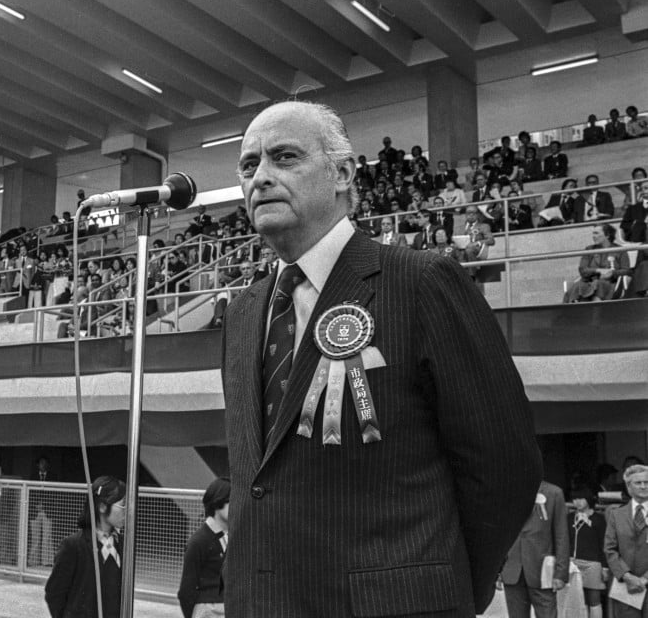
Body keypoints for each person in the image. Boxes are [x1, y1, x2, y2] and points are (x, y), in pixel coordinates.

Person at [223, 101, 541, 617]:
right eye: (248, 164)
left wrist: (447, 582)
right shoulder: (242, 313)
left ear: (343, 174)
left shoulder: (422, 282)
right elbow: (257, 480)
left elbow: (504, 465)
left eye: (284, 157)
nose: (260, 177)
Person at [45, 475, 126, 618]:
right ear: (102, 507)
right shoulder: (73, 546)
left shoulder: (123, 544)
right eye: (122, 505)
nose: (127, 511)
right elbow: (54, 593)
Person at [500, 480, 570, 618]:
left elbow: (561, 535)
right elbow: (499, 533)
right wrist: (497, 570)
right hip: (512, 568)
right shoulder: (506, 491)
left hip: (542, 569)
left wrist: (561, 573)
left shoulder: (554, 493)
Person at [178, 478, 229, 618]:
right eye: (230, 501)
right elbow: (186, 590)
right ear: (218, 501)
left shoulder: (232, 536)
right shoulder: (199, 541)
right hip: (208, 610)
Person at [604, 464, 648, 617]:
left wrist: (644, 579)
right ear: (629, 486)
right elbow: (610, 549)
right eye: (638, 483)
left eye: (646, 482)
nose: (643, 486)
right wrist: (627, 577)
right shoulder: (616, 515)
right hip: (626, 588)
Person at [563, 224, 631, 302]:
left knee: (599, 285)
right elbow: (582, 269)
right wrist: (598, 270)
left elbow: (627, 271)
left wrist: (612, 273)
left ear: (607, 235)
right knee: (578, 286)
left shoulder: (620, 250)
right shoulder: (589, 249)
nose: (593, 236)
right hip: (589, 282)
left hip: (610, 284)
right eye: (593, 233)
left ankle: (594, 307)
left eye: (596, 233)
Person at [568, 489, 609, 618]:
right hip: (573, 563)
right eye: (575, 499)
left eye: (581, 498)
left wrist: (605, 566)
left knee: (594, 599)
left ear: (588, 499)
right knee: (578, 599)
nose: (578, 502)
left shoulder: (599, 519)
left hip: (593, 563)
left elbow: (604, 543)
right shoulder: (569, 518)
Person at [621, 180, 648, 297]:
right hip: (641, 244)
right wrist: (640, 223)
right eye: (644, 188)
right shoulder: (633, 209)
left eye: (647, 188)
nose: (645, 191)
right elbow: (626, 231)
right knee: (643, 263)